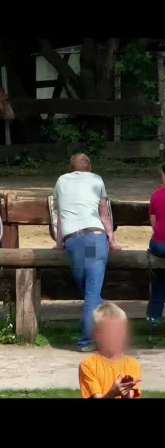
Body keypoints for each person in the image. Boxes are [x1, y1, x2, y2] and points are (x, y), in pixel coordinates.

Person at [52, 153, 121, 352]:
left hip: (73, 240)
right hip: (95, 238)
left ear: (69, 169)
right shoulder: (96, 179)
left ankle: (94, 336)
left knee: (90, 291)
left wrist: (59, 243)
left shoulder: (61, 181)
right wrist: (112, 240)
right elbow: (104, 213)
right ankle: (93, 337)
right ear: (89, 169)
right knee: (92, 293)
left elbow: (60, 215)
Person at [79, 302, 142, 399]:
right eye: (108, 332)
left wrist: (126, 393)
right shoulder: (88, 365)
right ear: (97, 334)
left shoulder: (133, 364)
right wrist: (112, 394)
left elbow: (132, 396)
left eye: (118, 331)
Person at [146, 163, 165, 326]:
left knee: (160, 277)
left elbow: (153, 221)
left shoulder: (156, 195)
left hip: (160, 245)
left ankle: (154, 315)